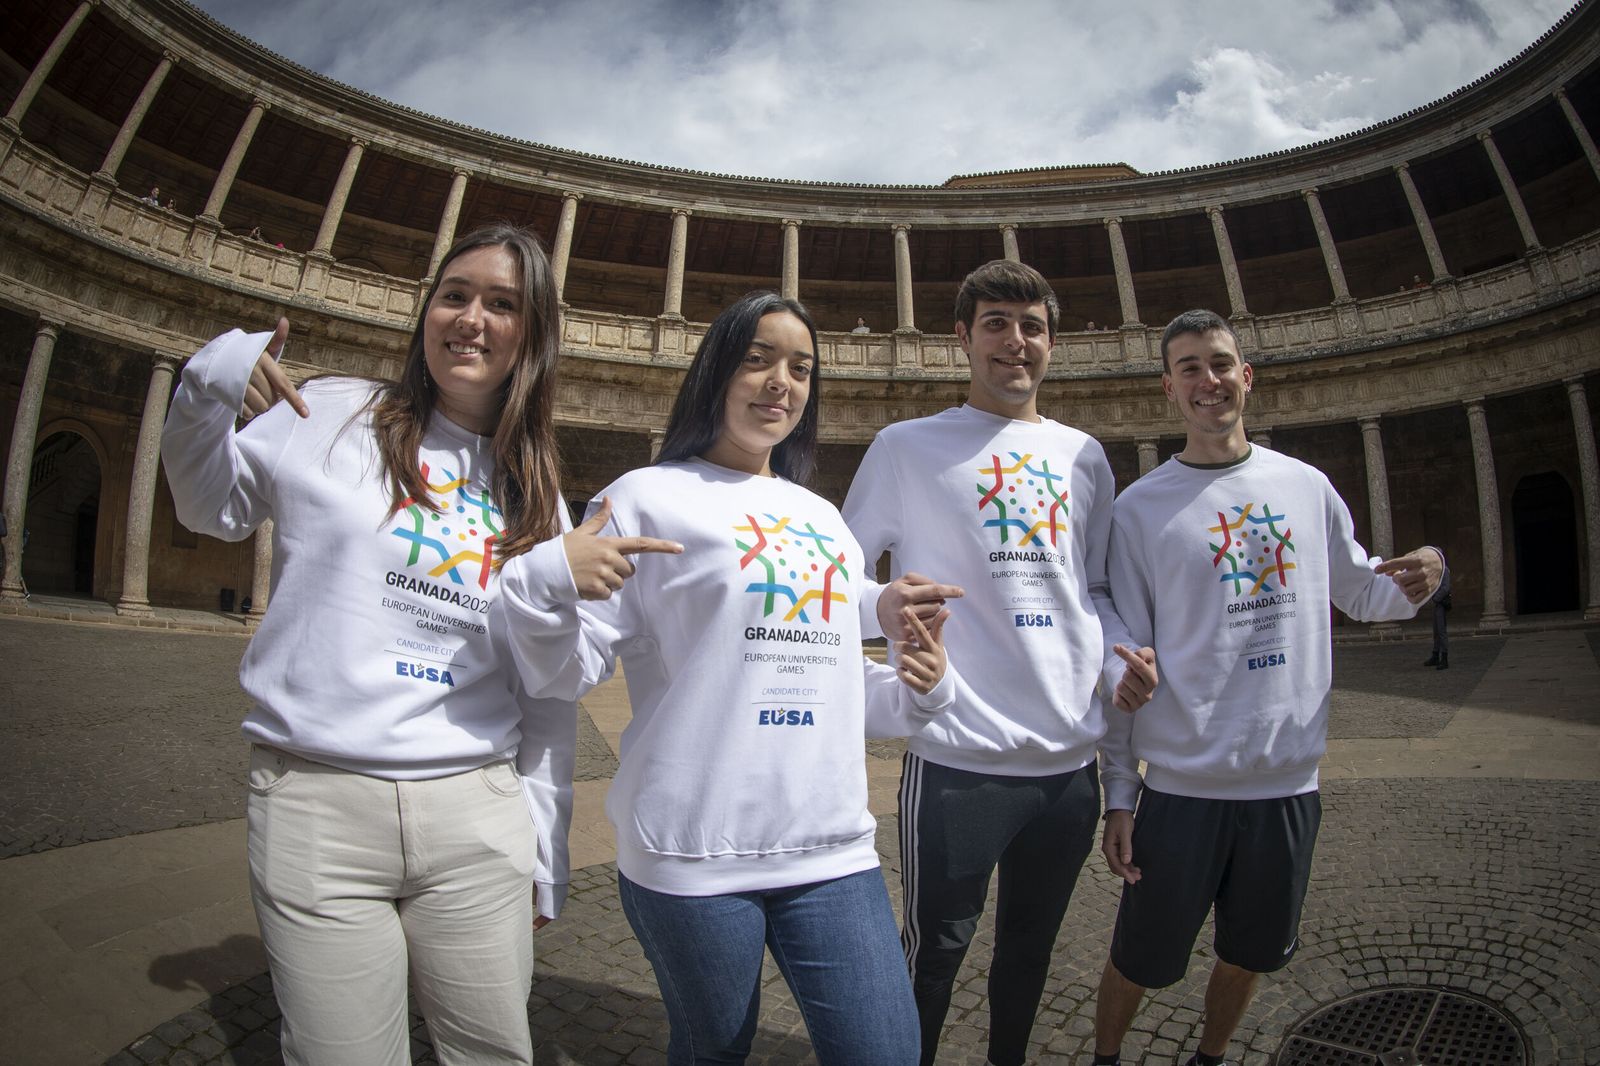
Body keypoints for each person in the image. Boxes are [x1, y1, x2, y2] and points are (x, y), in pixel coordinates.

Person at [496, 290, 957, 1065]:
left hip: (831, 846)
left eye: (801, 370)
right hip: (692, 850)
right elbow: (564, 672)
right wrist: (548, 585)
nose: (782, 382)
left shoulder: (825, 521)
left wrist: (924, 686)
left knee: (887, 1052)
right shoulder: (642, 497)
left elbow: (841, 690)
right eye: (759, 359)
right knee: (712, 1049)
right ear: (717, 370)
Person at [161, 223, 577, 1064]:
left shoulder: (534, 489)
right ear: (425, 312)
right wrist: (209, 384)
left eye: (503, 305)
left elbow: (546, 689)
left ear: (530, 336)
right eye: (454, 295)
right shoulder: (332, 412)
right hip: (318, 801)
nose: (472, 319)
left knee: (494, 1052)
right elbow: (209, 508)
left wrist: (546, 836)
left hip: (476, 808)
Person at [1092, 309, 1445, 1066]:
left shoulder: (1304, 486)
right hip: (1183, 790)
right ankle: (1106, 1059)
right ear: (1168, 388)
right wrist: (1120, 795)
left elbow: (1366, 591)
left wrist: (1425, 569)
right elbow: (1127, 668)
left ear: (1246, 376)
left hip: (1288, 785)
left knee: (1250, 952)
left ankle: (1212, 1058)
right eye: (1188, 367)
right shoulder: (1138, 511)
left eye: (1219, 363)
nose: (1207, 380)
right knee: (1139, 956)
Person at [841, 259, 1158, 1066]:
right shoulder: (905, 448)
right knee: (931, 959)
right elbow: (837, 576)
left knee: (1029, 956)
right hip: (958, 763)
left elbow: (1093, 588)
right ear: (962, 338)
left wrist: (1123, 653)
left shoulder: (1086, 456)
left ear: (1051, 342)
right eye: (996, 325)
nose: (1015, 343)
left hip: (1065, 771)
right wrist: (885, 625)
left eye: (1032, 327)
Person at [1425, 565, 1452, 669]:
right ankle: (1435, 655)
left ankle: (1444, 659)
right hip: (1436, 604)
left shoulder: (1444, 569)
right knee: (1436, 631)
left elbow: (1445, 588)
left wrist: (1435, 598)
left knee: (1441, 631)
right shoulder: (1436, 569)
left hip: (1441, 603)